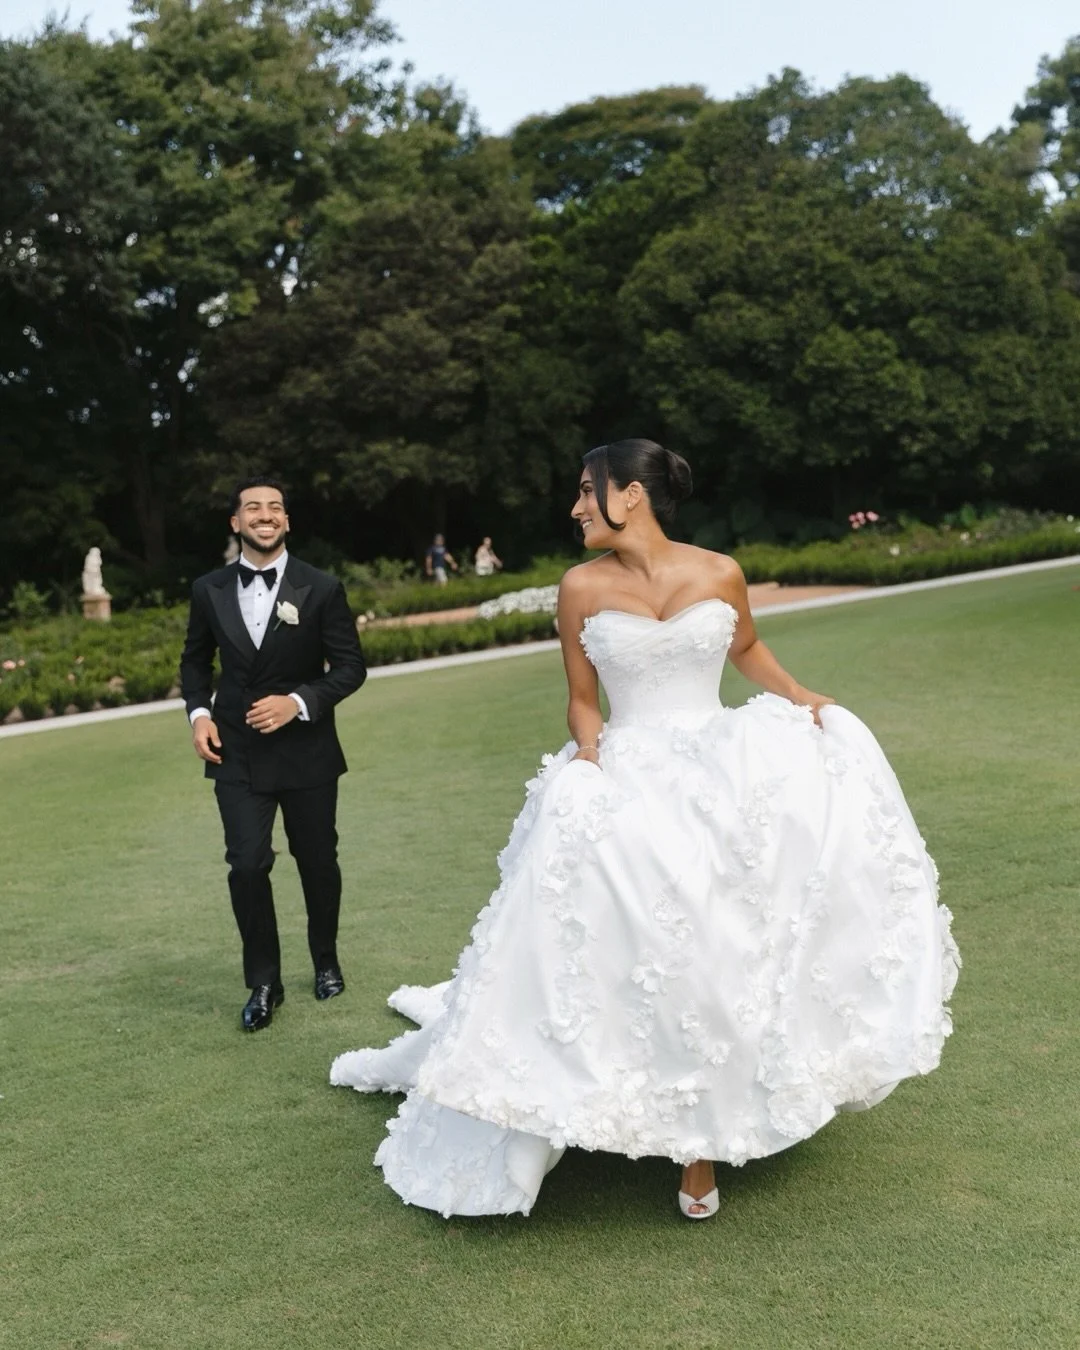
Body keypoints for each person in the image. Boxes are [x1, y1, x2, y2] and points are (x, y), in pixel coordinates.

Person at [331, 439, 959, 1218]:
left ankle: (703, 1147)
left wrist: (806, 698)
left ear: (631, 494)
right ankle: (659, 1114)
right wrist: (590, 757)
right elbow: (582, 698)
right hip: (629, 765)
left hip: (723, 763)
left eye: (585, 490)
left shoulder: (719, 571)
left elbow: (747, 648)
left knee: (731, 931)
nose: (575, 507)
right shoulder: (580, 587)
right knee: (650, 931)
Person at [180, 476, 367, 1032]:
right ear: (235, 522)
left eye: (276, 508)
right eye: (253, 508)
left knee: (318, 860)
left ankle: (326, 960)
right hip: (234, 751)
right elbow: (194, 662)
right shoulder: (208, 589)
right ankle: (264, 983)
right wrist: (199, 713)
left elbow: (350, 667)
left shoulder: (322, 587)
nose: (266, 515)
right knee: (246, 864)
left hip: (307, 750)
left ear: (286, 521)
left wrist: (299, 702)